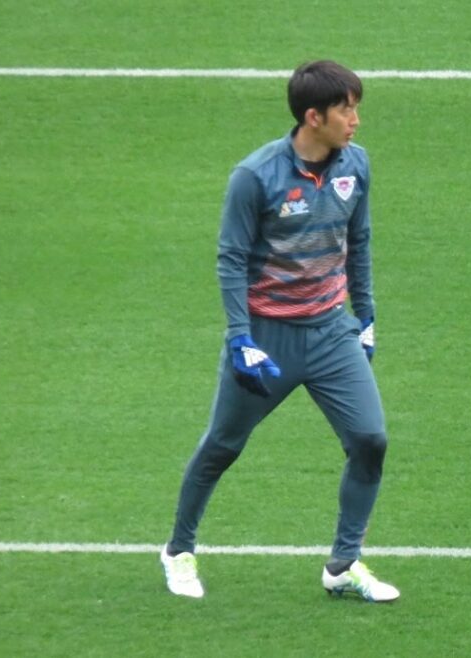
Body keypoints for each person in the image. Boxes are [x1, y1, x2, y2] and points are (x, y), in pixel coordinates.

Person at [159, 60, 398, 602]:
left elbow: (358, 242)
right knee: (223, 445)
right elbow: (231, 258)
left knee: (370, 440)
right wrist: (240, 338)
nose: (355, 119)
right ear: (313, 117)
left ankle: (343, 564)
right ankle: (179, 550)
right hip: (267, 338)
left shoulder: (355, 165)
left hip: (331, 333)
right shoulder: (256, 176)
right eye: (346, 109)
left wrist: (367, 317)